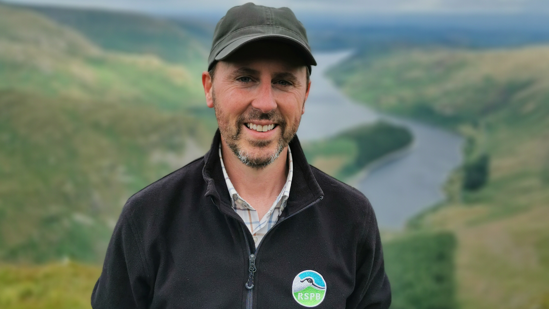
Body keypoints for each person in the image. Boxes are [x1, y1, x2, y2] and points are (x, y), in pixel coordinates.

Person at [91, 3, 391, 308]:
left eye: (284, 81)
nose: (264, 103)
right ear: (209, 89)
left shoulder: (352, 218)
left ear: (305, 95)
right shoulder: (147, 218)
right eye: (245, 78)